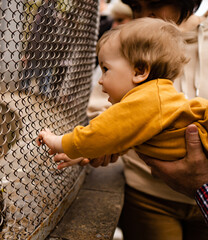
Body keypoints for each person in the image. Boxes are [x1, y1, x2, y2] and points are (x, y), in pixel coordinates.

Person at [54, 0, 208, 239]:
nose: (146, 15)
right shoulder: (128, 42)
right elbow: (105, 112)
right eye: (136, 7)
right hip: (147, 195)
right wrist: (98, 144)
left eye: (156, 3)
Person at [37, 17, 208, 162]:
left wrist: (57, 142)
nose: (101, 81)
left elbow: (100, 133)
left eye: (106, 69)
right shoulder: (156, 98)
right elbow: (123, 137)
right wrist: (83, 152)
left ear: (139, 71)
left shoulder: (146, 100)